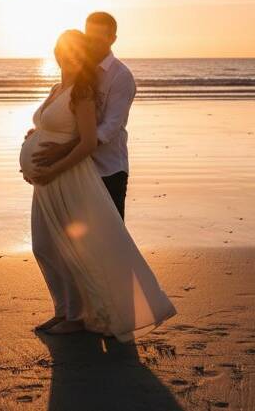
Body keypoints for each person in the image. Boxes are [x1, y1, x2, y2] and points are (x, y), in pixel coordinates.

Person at [20, 28, 175, 340]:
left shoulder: (84, 92)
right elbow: (53, 126)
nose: (66, 56)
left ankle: (80, 317)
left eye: (73, 51)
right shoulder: (56, 88)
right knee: (45, 246)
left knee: (78, 247)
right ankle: (64, 310)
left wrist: (52, 167)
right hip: (47, 182)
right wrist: (35, 138)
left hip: (67, 177)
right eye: (62, 50)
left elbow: (91, 139)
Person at [30, 12, 136, 220]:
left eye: (99, 39)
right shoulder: (80, 69)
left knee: (109, 237)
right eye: (89, 38)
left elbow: (109, 128)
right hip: (77, 169)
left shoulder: (121, 76)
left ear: (112, 39)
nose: (92, 44)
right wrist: (40, 135)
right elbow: (68, 118)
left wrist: (63, 149)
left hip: (108, 169)